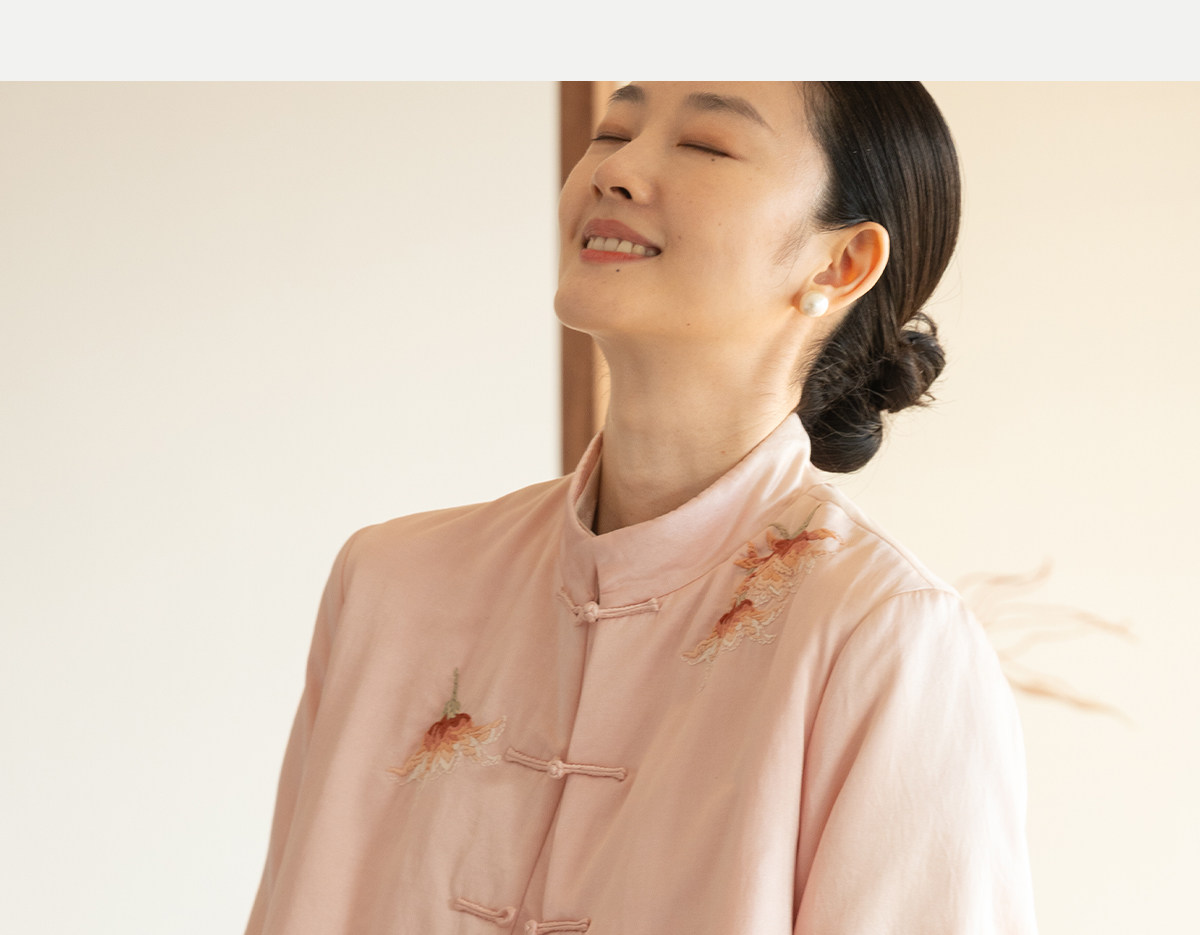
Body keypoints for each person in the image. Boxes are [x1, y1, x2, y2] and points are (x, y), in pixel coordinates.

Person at [245, 82, 1038, 934]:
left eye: (705, 144)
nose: (615, 170)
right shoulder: (390, 586)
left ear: (838, 264)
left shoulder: (882, 636)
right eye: (613, 131)